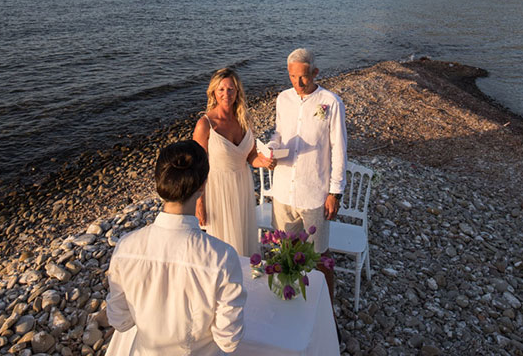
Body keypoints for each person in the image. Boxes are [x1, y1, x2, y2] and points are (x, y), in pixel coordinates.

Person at [105, 140, 246, 356]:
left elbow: (120, 322)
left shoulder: (125, 248)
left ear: (159, 183)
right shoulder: (222, 258)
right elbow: (228, 341)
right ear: (202, 185)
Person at [268, 48, 346, 303]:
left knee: (320, 258)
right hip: (282, 192)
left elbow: (339, 150)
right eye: (292, 76)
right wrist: (271, 148)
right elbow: (278, 134)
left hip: (314, 193)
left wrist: (335, 193)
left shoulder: (331, 103)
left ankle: (327, 310)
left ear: (315, 72)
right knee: (285, 253)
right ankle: (290, 301)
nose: (298, 83)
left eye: (303, 77)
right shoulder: (283, 99)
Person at [193, 68, 274, 257]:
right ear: (213, 91)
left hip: (243, 186)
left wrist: (266, 161)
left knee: (243, 238)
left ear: (237, 91)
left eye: (230, 89)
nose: (226, 94)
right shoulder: (205, 124)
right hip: (218, 190)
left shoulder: (244, 120)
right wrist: (199, 204)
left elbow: (251, 157)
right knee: (222, 247)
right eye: (221, 89)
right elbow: (198, 168)